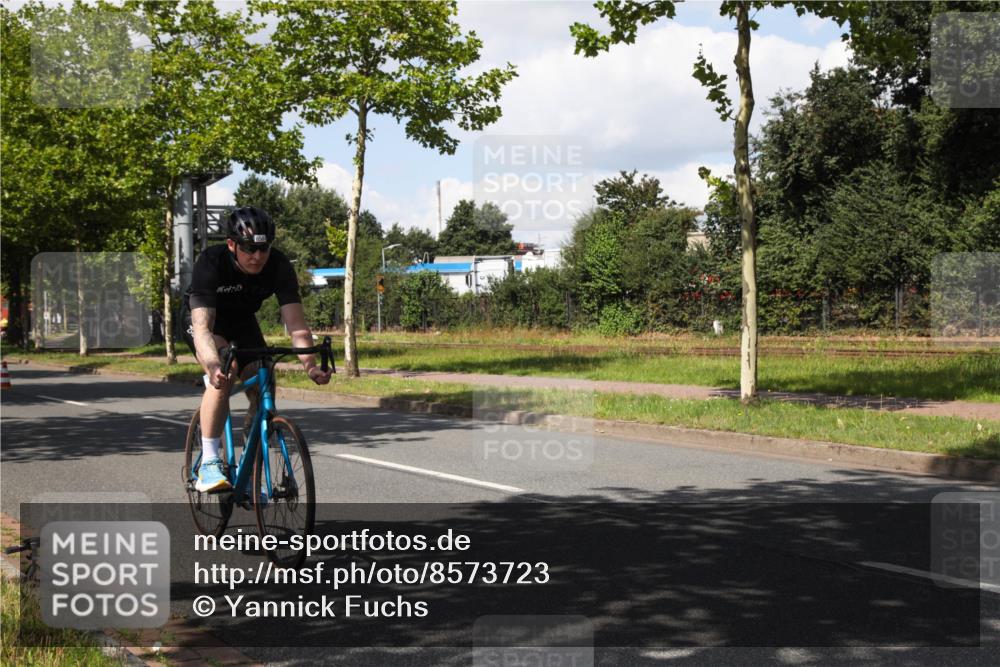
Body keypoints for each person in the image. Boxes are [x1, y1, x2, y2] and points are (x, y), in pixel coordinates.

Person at [182, 206, 331, 492]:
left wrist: (310, 366)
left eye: (263, 248)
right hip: (203, 320)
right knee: (227, 368)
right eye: (249, 248)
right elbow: (202, 328)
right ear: (231, 244)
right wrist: (213, 366)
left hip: (242, 322)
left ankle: (252, 457)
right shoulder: (211, 262)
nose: (257, 256)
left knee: (264, 375)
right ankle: (210, 462)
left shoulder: (278, 265)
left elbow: (297, 327)